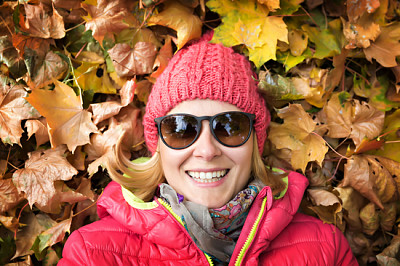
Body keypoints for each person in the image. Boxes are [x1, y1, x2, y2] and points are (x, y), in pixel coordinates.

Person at [58, 32, 358, 265]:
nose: (206, 150)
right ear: (158, 146)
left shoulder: (324, 248)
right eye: (181, 129)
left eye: (230, 126)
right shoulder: (92, 254)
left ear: (255, 141)